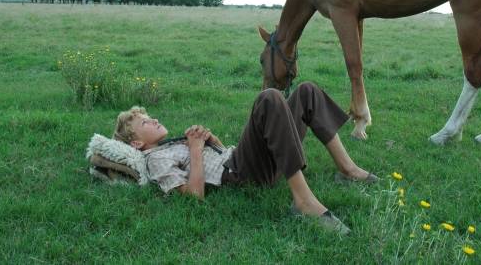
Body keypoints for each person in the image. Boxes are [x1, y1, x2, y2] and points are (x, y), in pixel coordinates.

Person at [113, 82, 378, 234]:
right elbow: (194, 196)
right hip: (240, 173)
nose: (154, 119)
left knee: (306, 91)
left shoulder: (170, 145)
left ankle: (348, 168)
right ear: (137, 143)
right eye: (145, 122)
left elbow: (214, 156)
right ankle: (303, 201)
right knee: (269, 99)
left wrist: (210, 141)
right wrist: (194, 149)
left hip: (243, 160)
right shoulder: (155, 159)